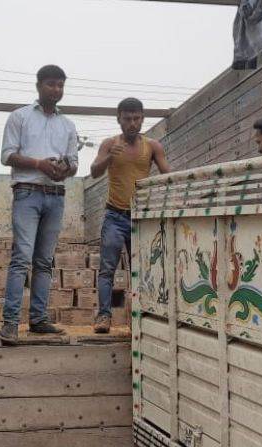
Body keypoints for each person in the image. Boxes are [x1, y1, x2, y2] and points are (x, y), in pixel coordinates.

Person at [0, 64, 79, 345]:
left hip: (56, 195)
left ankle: (38, 320)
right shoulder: (19, 117)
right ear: (38, 86)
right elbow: (7, 156)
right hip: (27, 193)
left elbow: (74, 163)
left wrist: (63, 169)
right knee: (22, 257)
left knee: (44, 261)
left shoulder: (67, 125)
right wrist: (38, 164)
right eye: (51, 84)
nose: (56, 89)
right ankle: (10, 323)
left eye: (60, 85)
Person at [89, 97, 170, 333]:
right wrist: (109, 157)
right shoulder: (110, 144)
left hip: (140, 217)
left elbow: (167, 175)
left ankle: (143, 317)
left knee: (142, 268)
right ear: (119, 119)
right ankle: (104, 317)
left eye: (136, 118)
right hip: (115, 216)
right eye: (127, 119)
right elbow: (94, 172)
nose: (132, 123)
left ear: (143, 119)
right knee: (107, 269)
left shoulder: (152, 146)